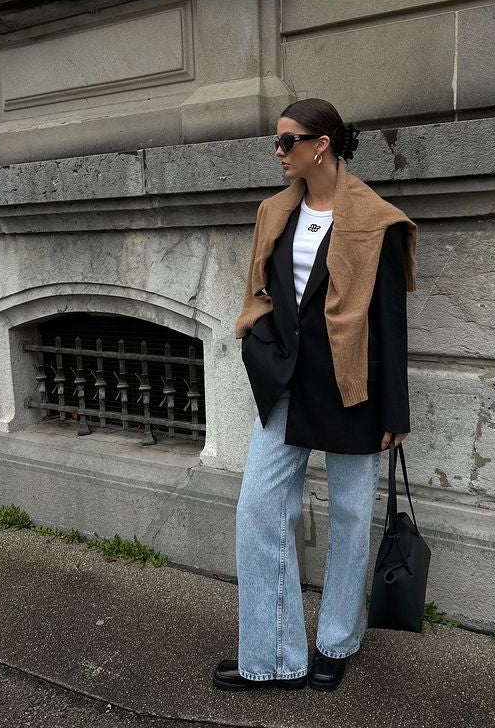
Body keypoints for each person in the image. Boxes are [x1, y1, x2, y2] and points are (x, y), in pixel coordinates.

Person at [213, 98, 417, 693]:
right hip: (286, 384)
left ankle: (335, 642)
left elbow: (390, 322)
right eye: (276, 142)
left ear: (320, 144)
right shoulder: (275, 212)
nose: (278, 153)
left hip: (352, 388)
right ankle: (271, 656)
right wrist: (258, 347)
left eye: (287, 142)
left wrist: (395, 410)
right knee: (259, 510)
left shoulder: (375, 220)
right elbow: (262, 293)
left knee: (350, 516)